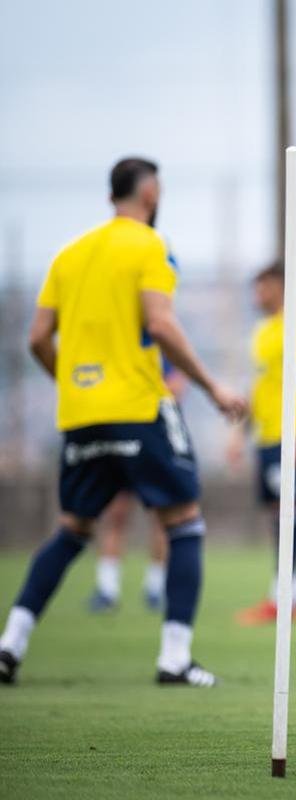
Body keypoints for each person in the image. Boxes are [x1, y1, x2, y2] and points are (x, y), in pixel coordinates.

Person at [0, 157, 246, 686]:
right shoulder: (149, 245)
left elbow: (37, 338)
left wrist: (74, 385)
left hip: (82, 415)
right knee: (184, 522)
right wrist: (214, 387)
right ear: (150, 194)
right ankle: (175, 659)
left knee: (72, 530)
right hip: (138, 406)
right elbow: (161, 324)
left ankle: (9, 645)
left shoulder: (69, 253)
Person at [228, 265, 296, 626]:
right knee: (278, 518)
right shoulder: (262, 332)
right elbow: (258, 387)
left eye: (262, 288)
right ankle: (283, 595)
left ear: (279, 287)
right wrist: (240, 434)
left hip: (295, 438)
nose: (256, 296)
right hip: (268, 437)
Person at [88, 361, 186, 613]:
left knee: (162, 518)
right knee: (115, 515)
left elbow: (176, 388)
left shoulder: (160, 350)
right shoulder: (116, 350)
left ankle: (156, 587)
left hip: (154, 445)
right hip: (121, 444)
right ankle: (107, 588)